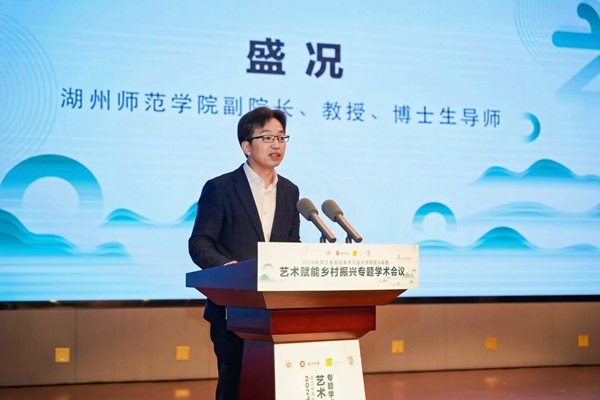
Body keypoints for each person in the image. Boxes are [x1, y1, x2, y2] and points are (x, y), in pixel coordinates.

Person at [188, 106, 300, 400]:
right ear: (246, 146)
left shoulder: (290, 191)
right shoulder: (220, 188)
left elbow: (292, 244)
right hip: (233, 311)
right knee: (235, 389)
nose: (276, 144)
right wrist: (230, 269)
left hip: (279, 313)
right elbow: (200, 243)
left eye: (281, 137)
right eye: (267, 137)